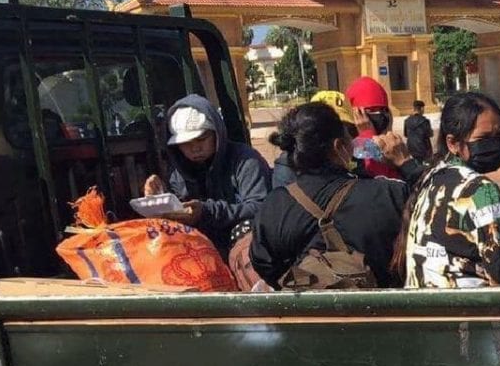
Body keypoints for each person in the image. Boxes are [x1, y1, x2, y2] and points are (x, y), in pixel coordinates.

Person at [249, 102, 417, 288]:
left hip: (307, 305)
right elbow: (433, 207)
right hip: (385, 304)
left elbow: (264, 264)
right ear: (339, 147)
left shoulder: (274, 205)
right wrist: (405, 163)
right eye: (349, 137)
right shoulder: (389, 194)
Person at [397, 92, 500, 288]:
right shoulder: (480, 189)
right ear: (453, 143)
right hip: (468, 304)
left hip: (426, 302)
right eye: (484, 138)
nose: (494, 144)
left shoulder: (430, 177)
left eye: (499, 136)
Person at [144, 94, 270, 253]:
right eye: (185, 143)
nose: (195, 148)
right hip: (199, 250)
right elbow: (180, 211)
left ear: (217, 133)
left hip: (243, 247)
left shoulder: (245, 160)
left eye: (201, 139)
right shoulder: (178, 172)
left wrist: (207, 212)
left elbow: (261, 207)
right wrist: (161, 198)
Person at [346, 76, 399, 179]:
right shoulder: (346, 148)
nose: (379, 114)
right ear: (357, 114)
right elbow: (376, 174)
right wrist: (367, 137)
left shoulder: (393, 145)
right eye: (372, 110)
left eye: (383, 109)